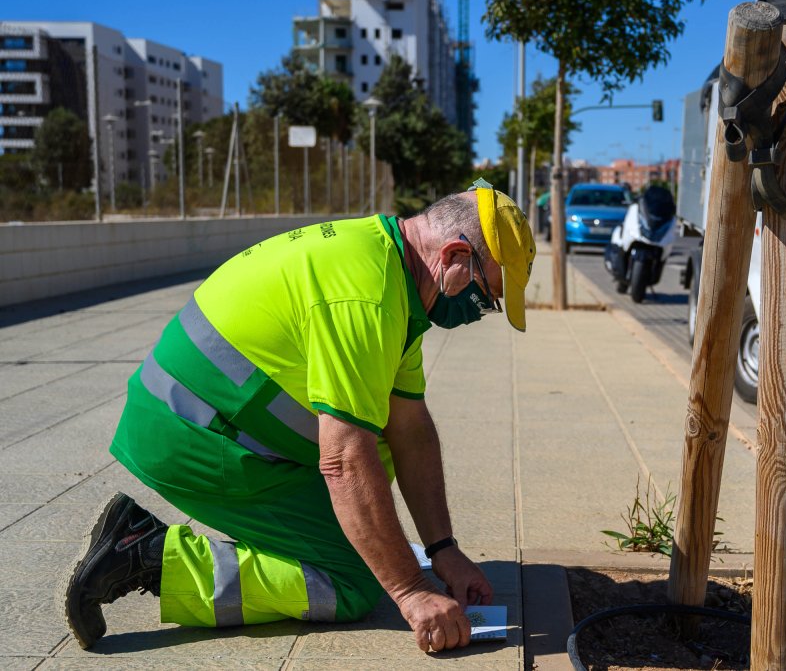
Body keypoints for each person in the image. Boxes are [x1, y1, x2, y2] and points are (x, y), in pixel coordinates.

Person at [61, 180, 536, 654]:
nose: (479, 313)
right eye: (484, 297)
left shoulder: (387, 269)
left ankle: (315, 534)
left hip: (205, 420)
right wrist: (411, 591)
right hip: (190, 436)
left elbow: (410, 430)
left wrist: (443, 550)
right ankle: (146, 554)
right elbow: (345, 461)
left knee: (383, 443)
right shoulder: (365, 299)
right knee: (351, 583)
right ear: (453, 256)